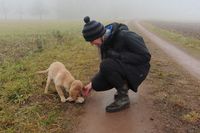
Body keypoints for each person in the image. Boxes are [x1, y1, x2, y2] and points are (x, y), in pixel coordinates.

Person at [82, 16, 151, 113]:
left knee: (106, 64)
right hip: (125, 67)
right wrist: (91, 84)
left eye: (92, 40)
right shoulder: (103, 44)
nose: (92, 44)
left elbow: (145, 56)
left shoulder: (125, 36)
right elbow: (107, 69)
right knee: (97, 84)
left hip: (139, 69)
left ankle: (123, 98)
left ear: (99, 35)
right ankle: (121, 88)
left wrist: (118, 55)